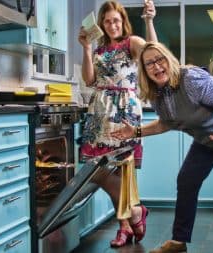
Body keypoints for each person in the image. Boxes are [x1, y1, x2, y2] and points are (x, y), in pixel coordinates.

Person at [111, 41, 213, 253]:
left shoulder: (191, 79)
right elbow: (166, 122)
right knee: (187, 179)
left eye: (159, 59)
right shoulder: (157, 95)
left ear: (169, 59)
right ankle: (179, 241)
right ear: (144, 71)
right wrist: (136, 131)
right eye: (149, 64)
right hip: (209, 136)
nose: (156, 66)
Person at [77, 0, 157, 248]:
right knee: (100, 169)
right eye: (107, 21)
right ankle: (134, 213)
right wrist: (86, 48)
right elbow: (90, 80)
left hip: (124, 111)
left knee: (123, 171)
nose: (112, 25)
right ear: (101, 24)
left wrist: (149, 21)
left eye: (116, 21)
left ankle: (126, 225)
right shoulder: (99, 49)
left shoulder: (131, 43)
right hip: (100, 110)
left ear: (123, 22)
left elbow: (153, 52)